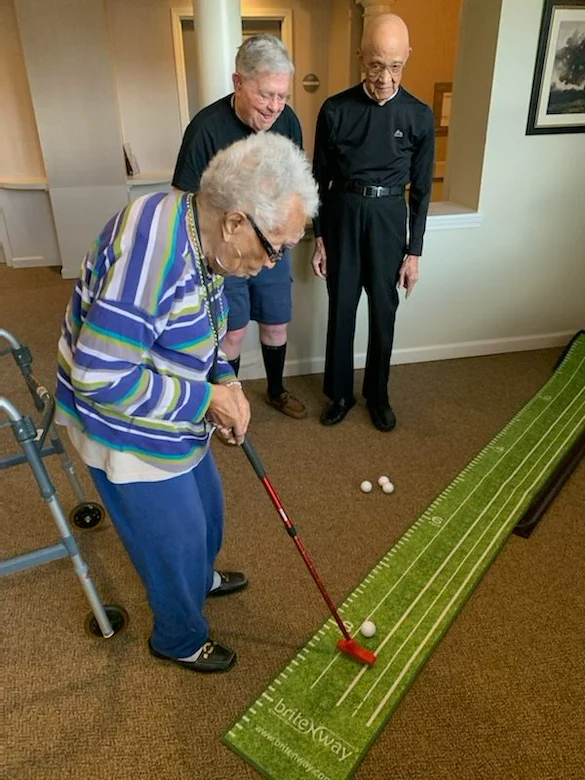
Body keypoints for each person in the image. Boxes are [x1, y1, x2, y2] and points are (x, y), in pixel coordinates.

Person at [55, 133, 318, 673]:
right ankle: (178, 636)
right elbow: (98, 376)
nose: (273, 264)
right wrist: (205, 399)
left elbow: (201, 331)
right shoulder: (153, 256)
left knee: (208, 515)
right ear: (236, 221)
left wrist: (226, 381)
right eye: (274, 248)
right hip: (121, 421)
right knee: (174, 542)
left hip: (170, 404)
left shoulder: (204, 234)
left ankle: (200, 579)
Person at [311, 13, 435, 431]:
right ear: (360, 56)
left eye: (396, 66)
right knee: (342, 309)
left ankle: (377, 396)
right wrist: (320, 237)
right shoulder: (335, 109)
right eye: (376, 65)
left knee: (384, 311)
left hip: (388, 218)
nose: (385, 78)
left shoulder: (418, 115)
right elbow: (317, 180)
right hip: (343, 214)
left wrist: (414, 252)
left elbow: (422, 192)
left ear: (407, 58)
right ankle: (340, 394)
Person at [173, 34, 307, 419]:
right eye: (266, 95)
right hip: (225, 254)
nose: (275, 107)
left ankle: (276, 390)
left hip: (272, 248)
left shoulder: (288, 122)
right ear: (238, 82)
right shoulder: (205, 128)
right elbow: (182, 199)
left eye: (282, 96)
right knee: (232, 333)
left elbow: (296, 185)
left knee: (276, 324)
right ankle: (229, 401)